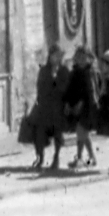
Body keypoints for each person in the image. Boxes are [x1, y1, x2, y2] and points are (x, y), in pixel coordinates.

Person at [32, 43, 69, 171]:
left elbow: (67, 87)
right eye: (55, 55)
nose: (57, 58)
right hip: (45, 106)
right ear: (50, 56)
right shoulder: (44, 70)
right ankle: (40, 158)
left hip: (58, 107)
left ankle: (56, 158)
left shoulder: (64, 70)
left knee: (58, 134)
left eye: (60, 56)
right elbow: (40, 87)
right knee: (39, 133)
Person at [63, 46, 98, 170]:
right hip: (77, 106)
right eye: (78, 57)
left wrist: (81, 104)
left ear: (89, 59)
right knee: (83, 133)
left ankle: (79, 158)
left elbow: (91, 91)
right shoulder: (75, 72)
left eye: (83, 57)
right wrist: (67, 103)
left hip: (87, 107)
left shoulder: (90, 72)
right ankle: (92, 157)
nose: (81, 60)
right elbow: (69, 89)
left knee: (80, 131)